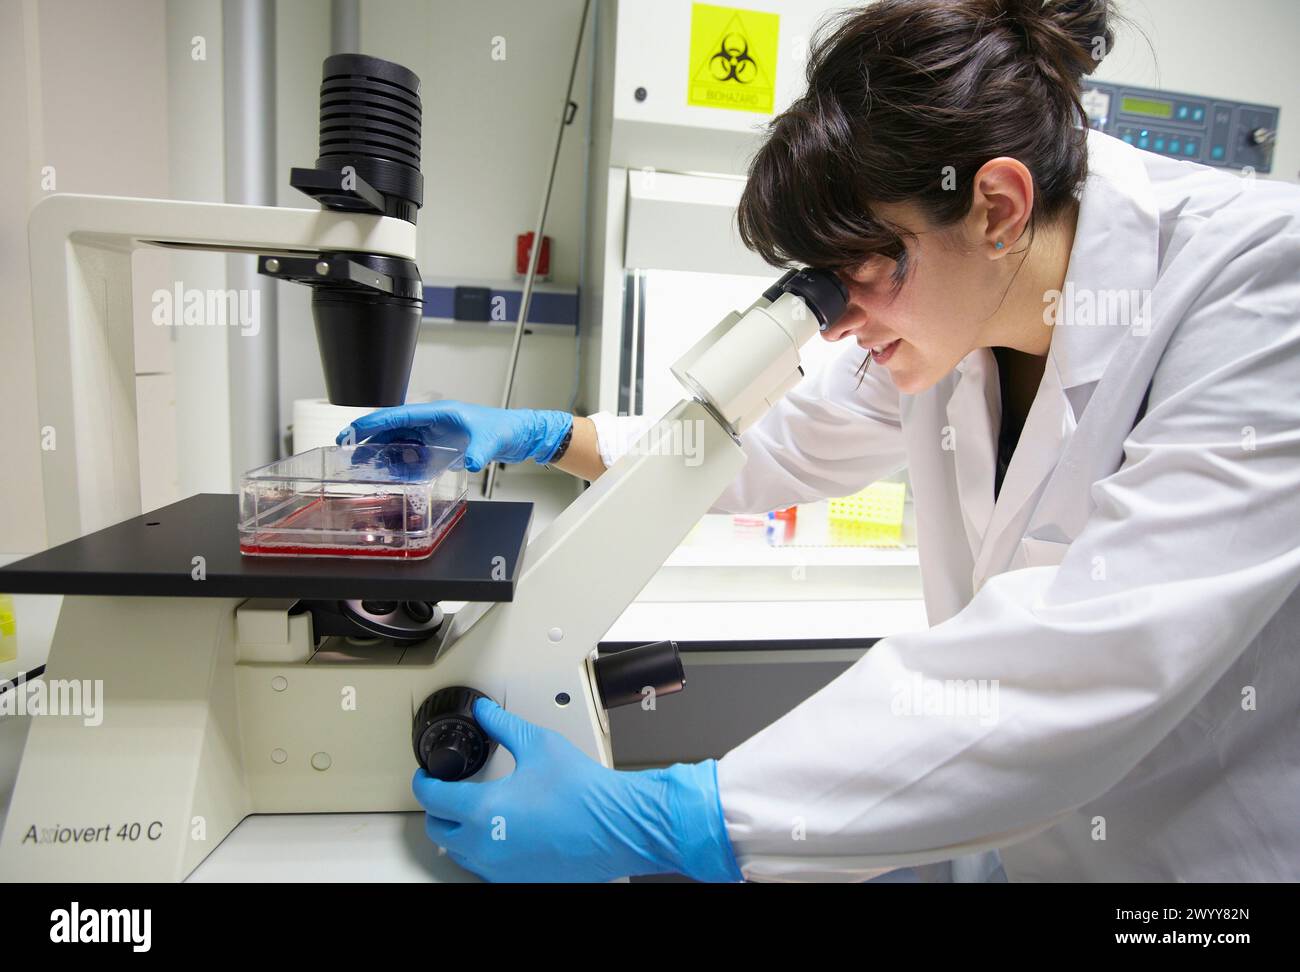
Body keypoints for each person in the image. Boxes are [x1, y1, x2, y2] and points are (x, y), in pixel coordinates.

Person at [339, 0, 1300, 882]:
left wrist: (680, 818)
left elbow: (1095, 655)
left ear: (998, 209)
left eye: (863, 273)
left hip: (1204, 873)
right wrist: (550, 435)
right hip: (1039, 849)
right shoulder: (955, 312)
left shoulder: (1261, 285)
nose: (837, 324)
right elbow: (769, 446)